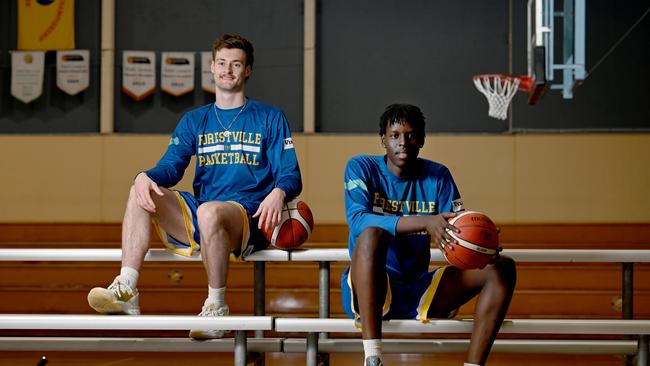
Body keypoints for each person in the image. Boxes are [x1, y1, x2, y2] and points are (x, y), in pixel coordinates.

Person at [87, 34, 302, 339]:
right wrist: (143, 176)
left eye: (236, 64)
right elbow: (171, 167)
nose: (228, 70)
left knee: (210, 211)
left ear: (248, 70)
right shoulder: (195, 120)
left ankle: (216, 308)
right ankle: (126, 288)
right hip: (204, 213)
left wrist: (279, 192)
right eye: (223, 63)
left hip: (248, 217)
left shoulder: (269, 117)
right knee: (141, 190)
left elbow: (292, 175)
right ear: (212, 67)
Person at [341, 104, 516, 366]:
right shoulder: (361, 167)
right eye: (395, 135)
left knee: (502, 268)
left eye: (411, 135)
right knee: (370, 235)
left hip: (419, 286)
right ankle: (372, 357)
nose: (403, 142)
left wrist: (482, 245)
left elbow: (457, 230)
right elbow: (357, 221)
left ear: (422, 139)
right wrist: (426, 222)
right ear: (383, 140)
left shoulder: (438, 176)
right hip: (373, 289)